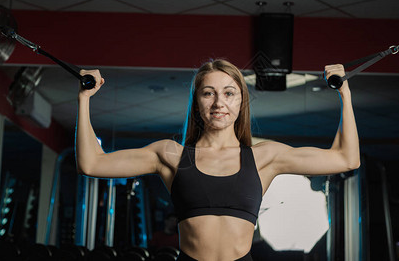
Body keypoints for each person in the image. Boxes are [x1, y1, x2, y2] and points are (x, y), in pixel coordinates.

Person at [76, 59, 360, 261]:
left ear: (240, 102)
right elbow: (92, 163)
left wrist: (344, 95)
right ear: (197, 102)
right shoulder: (171, 155)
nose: (218, 103)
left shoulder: (265, 156)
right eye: (208, 93)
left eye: (229, 93)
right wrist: (84, 98)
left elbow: (346, 159)